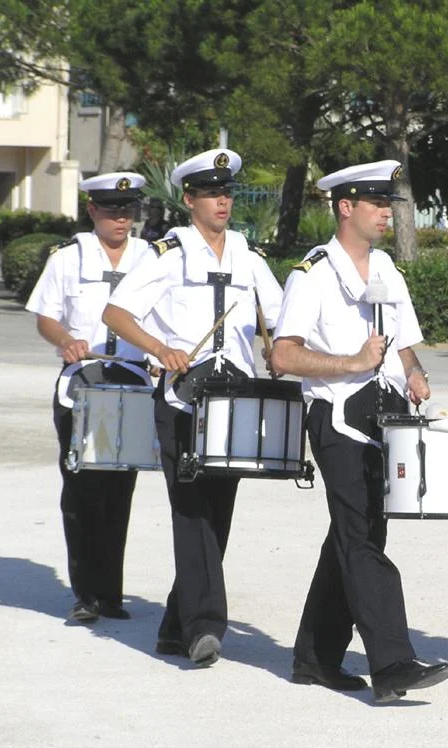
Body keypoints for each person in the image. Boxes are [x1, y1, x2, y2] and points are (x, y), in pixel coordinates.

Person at [270, 159, 448, 702]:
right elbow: (283, 355)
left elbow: (404, 343)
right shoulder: (312, 273)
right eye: (375, 203)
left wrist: (415, 374)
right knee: (361, 538)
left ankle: (315, 657)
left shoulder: (388, 270)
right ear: (345, 207)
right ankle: (393, 663)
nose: (385, 213)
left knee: (356, 536)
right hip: (337, 421)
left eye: (387, 203)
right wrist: (351, 361)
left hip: (384, 420)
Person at [102, 148, 283, 666]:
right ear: (189, 199)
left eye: (226, 193)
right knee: (190, 510)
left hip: (235, 402)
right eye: (211, 193)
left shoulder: (249, 256)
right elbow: (116, 314)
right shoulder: (167, 254)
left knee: (218, 515)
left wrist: (279, 348)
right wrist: (160, 349)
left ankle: (172, 627)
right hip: (182, 399)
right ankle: (204, 627)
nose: (222, 201)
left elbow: (280, 316)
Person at [25, 172, 154, 623]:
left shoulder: (151, 258)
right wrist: (65, 340)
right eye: (112, 210)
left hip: (134, 382)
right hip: (81, 382)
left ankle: (110, 593)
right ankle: (85, 595)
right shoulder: (67, 258)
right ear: (93, 211)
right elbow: (46, 316)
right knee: (82, 489)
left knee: (120, 490)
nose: (122, 219)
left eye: (129, 211)